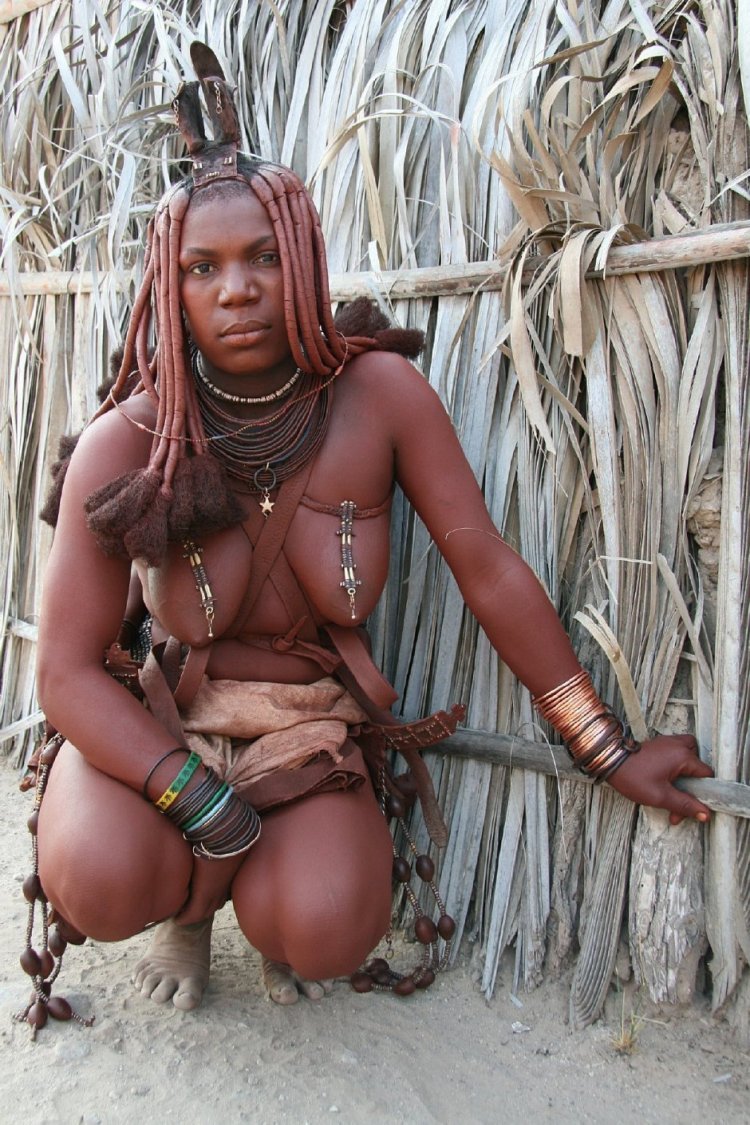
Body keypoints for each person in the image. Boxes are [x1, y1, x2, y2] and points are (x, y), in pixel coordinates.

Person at [31, 44, 712, 1017]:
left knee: (325, 929)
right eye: (204, 267)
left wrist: (606, 748)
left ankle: (255, 901)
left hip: (306, 735)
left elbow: (487, 568)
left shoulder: (380, 395)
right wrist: (184, 786)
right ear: (168, 288)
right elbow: (62, 671)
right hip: (165, 723)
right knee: (100, 878)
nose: (238, 288)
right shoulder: (130, 437)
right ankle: (188, 908)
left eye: (265, 255)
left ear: (303, 258)